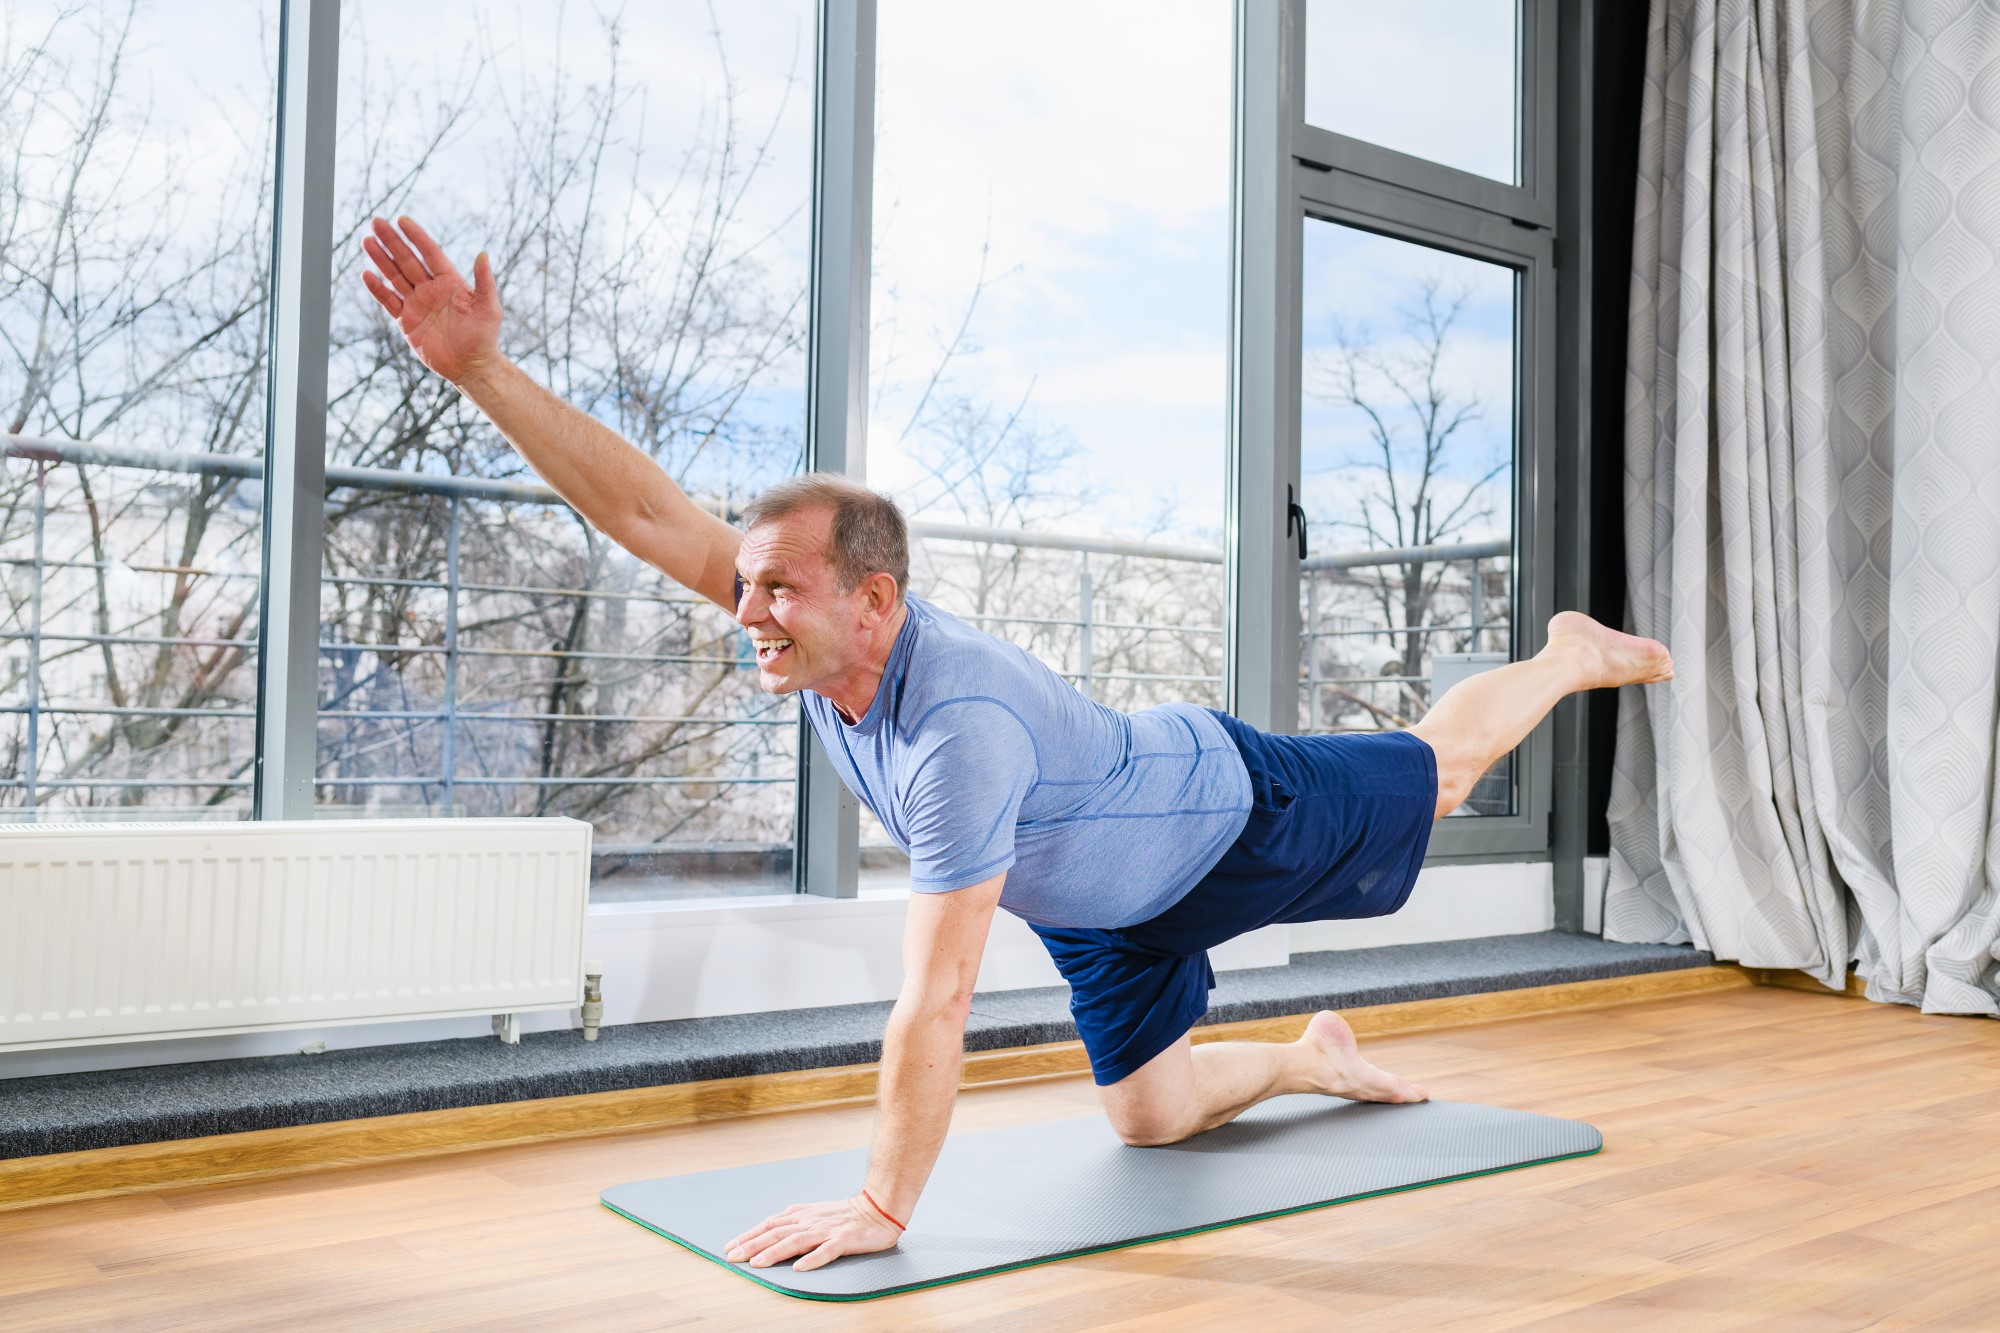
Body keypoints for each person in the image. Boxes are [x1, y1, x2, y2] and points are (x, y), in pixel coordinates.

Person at [361, 216, 1674, 1273]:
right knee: (1152, 1119)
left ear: (874, 598)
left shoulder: (958, 734)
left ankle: (1564, 652)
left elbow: (934, 1001)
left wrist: (883, 1200)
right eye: (746, 583)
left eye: (777, 588)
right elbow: (646, 512)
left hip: (1221, 812)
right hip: (1104, 905)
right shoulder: (818, 637)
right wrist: (480, 369)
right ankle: (1305, 1054)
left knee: (1437, 777)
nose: (745, 610)